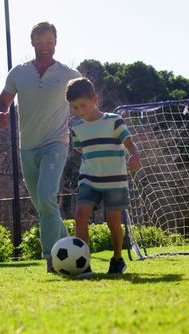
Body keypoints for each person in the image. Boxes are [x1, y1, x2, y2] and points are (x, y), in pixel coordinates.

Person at [0, 22, 81, 273]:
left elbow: (85, 102)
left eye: (50, 42)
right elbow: (3, 102)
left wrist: (88, 133)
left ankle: (51, 257)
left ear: (56, 42)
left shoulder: (69, 74)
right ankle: (70, 249)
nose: (46, 47)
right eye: (40, 42)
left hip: (56, 142)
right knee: (43, 204)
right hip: (28, 147)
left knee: (46, 197)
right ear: (32, 43)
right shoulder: (18, 73)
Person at [66, 77, 141, 275]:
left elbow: (129, 142)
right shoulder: (76, 129)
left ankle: (117, 258)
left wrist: (135, 154)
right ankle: (82, 264)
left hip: (115, 181)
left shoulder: (114, 120)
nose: (80, 111)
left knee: (113, 222)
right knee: (80, 216)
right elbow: (81, 149)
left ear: (95, 99)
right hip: (88, 179)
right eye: (75, 107)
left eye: (83, 105)